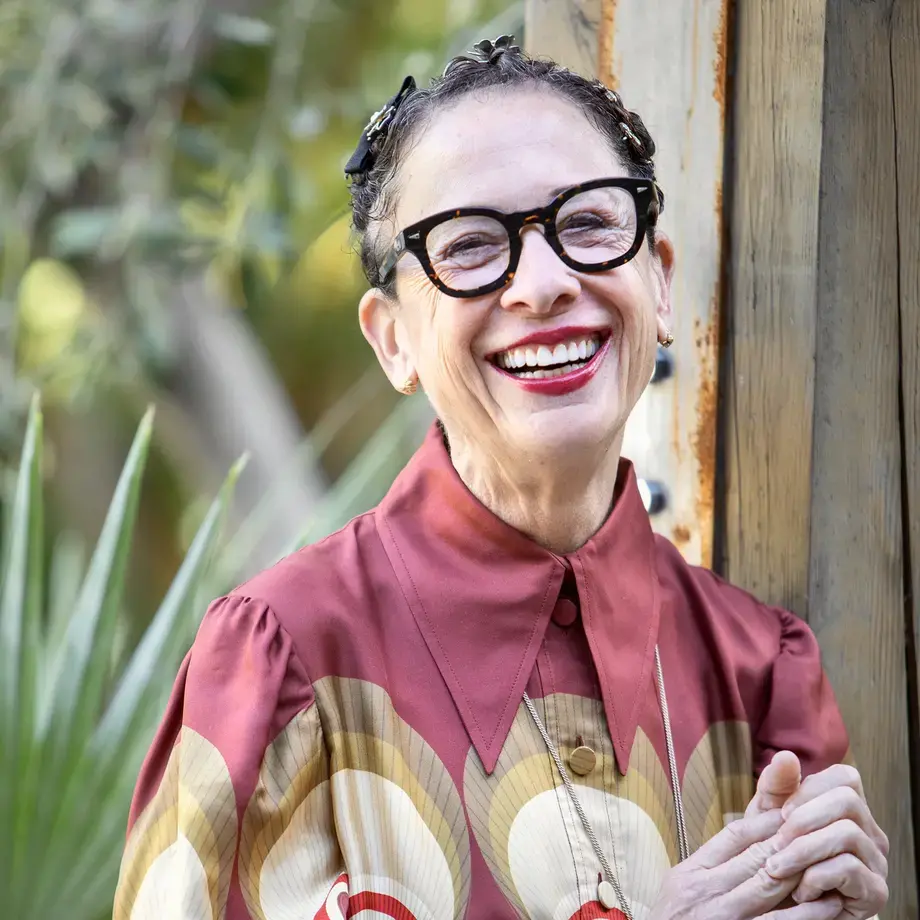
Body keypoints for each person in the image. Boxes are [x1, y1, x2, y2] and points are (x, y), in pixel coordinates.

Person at [113, 37, 888, 920]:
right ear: (392, 338)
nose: (545, 283)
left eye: (590, 223)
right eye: (472, 245)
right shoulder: (280, 663)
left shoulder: (762, 669)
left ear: (660, 285)